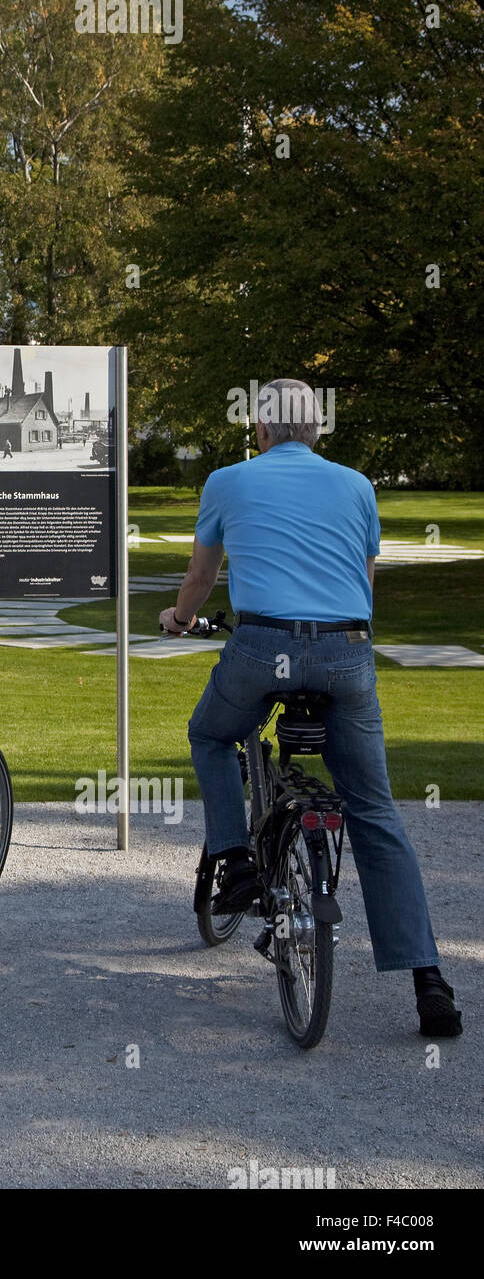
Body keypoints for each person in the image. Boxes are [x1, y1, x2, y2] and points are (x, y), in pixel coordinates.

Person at [160, 379, 462, 1038]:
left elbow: (201, 579)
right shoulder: (358, 486)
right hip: (347, 650)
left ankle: (234, 861)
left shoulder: (227, 481)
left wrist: (180, 619)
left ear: (262, 430)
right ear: (318, 433)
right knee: (375, 810)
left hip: (262, 645)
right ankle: (428, 980)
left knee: (211, 735)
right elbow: (364, 583)